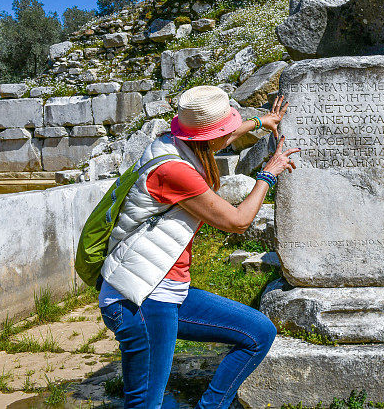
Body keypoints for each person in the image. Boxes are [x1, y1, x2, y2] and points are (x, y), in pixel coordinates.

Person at [97, 85, 299, 408]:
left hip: (168, 292)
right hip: (141, 299)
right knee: (146, 405)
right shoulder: (175, 172)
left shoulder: (173, 144)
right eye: (225, 129)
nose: (229, 134)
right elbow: (237, 221)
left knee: (259, 332)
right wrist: (267, 174)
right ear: (207, 138)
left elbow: (220, 139)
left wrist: (261, 123)